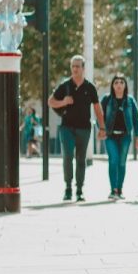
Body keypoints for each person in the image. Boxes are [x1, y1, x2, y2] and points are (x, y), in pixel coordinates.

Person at [48, 55, 105, 202]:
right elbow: (51, 101)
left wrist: (102, 127)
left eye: (78, 66)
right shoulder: (65, 85)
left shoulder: (89, 87)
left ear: (83, 68)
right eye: (73, 66)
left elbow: (98, 109)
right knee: (67, 156)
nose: (75, 69)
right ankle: (68, 188)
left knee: (81, 159)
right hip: (67, 127)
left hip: (84, 129)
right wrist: (63, 102)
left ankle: (79, 190)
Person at [101, 74, 138, 200]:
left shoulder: (130, 101)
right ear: (112, 85)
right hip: (110, 136)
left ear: (125, 85)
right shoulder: (107, 100)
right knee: (113, 160)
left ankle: (119, 190)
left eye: (121, 82)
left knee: (121, 163)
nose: (119, 85)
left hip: (125, 137)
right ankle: (113, 190)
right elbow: (100, 117)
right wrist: (101, 129)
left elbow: (136, 120)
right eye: (116, 82)